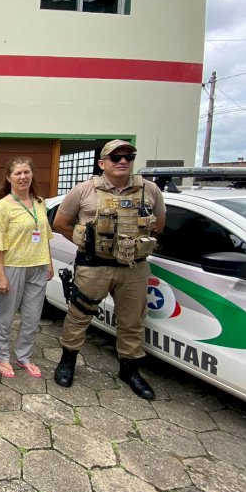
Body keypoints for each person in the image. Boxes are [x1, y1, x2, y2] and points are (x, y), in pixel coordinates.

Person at [52, 140, 165, 399]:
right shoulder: (83, 191)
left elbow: (159, 224)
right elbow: (60, 222)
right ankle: (67, 361)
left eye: (128, 156)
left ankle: (129, 369)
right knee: (79, 315)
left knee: (132, 321)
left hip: (133, 268)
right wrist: (85, 243)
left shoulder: (150, 190)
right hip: (95, 266)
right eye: (115, 157)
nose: (123, 161)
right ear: (102, 163)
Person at [0, 157, 54, 379]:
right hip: (12, 266)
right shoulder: (2, 207)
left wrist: (49, 263)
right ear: (9, 178)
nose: (23, 177)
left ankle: (24, 356)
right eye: (18, 173)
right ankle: (2, 357)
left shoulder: (40, 202)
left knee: (32, 317)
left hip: (38, 265)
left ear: (32, 174)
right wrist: (0, 275)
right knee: (6, 316)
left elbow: (45, 236)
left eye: (26, 172)